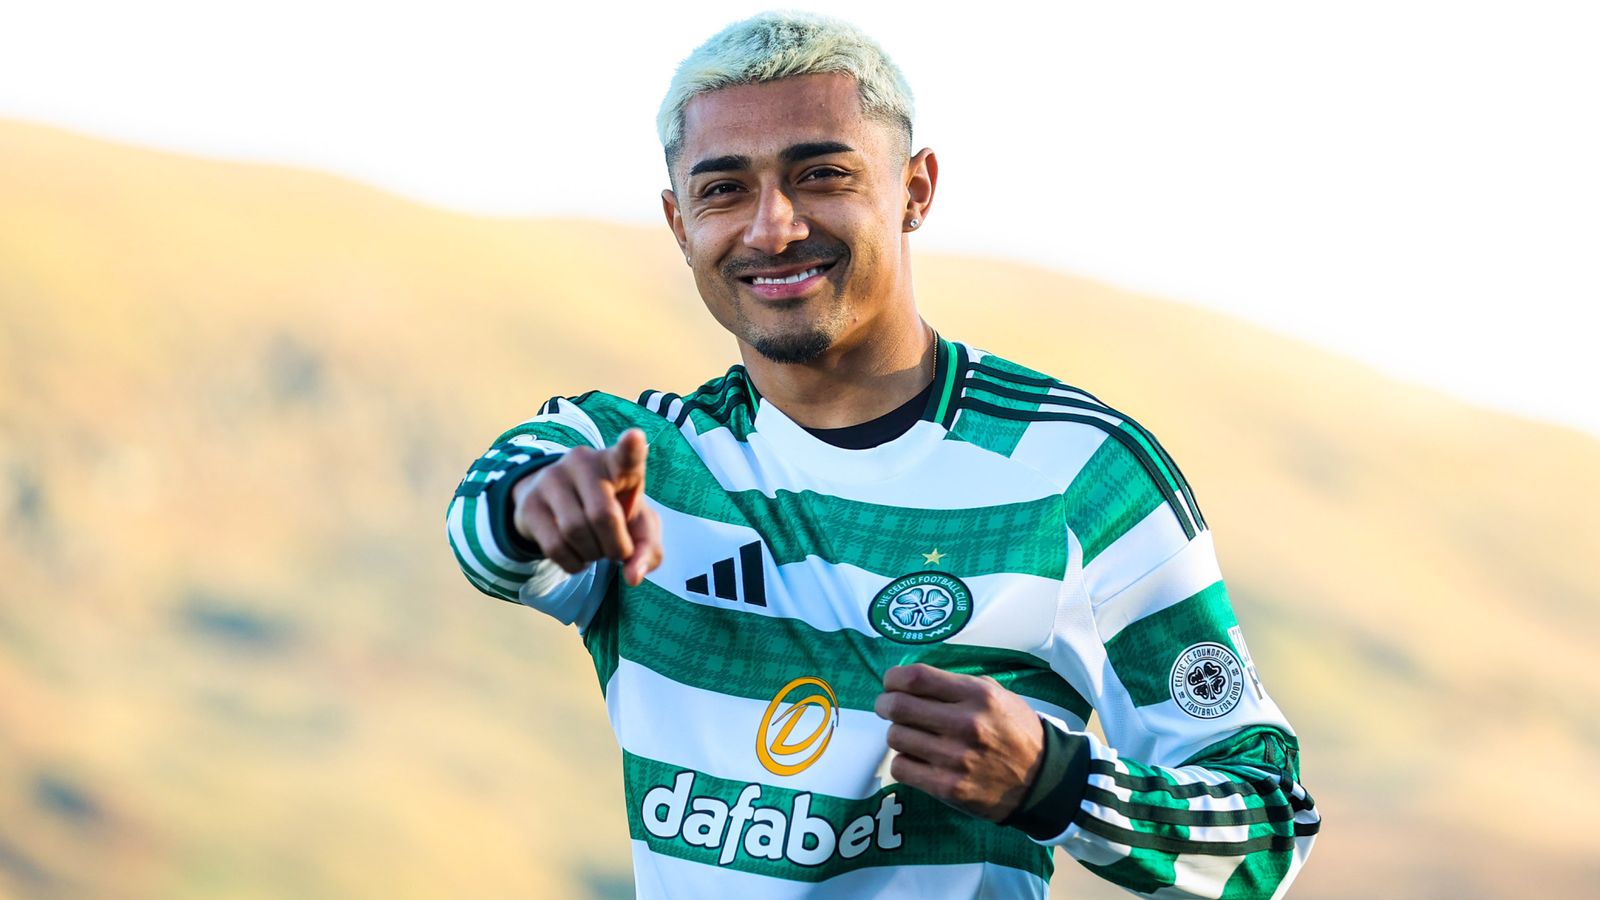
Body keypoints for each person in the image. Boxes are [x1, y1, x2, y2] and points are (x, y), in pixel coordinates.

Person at [446, 11, 1318, 898]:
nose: (772, 227)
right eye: (723, 191)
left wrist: (1055, 784)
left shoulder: (1079, 473)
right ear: (679, 223)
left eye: (821, 175)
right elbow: (484, 521)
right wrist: (537, 503)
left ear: (915, 188)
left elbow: (1266, 839)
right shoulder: (644, 460)